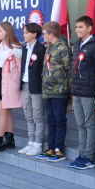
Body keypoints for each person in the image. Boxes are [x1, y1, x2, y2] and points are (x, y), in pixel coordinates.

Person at [69, 16, 95, 169]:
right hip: (77, 91)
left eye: (81, 27)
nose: (77, 30)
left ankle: (89, 157)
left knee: (90, 125)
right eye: (76, 27)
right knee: (80, 124)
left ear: (90, 28)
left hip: (89, 93)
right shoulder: (77, 44)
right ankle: (81, 154)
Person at [36, 21, 72, 162]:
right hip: (48, 90)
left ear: (51, 34)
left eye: (44, 33)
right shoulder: (49, 47)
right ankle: (50, 147)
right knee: (50, 120)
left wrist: (68, 90)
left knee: (59, 120)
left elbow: (69, 70)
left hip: (59, 90)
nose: (42, 36)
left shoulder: (62, 48)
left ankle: (59, 149)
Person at [0, 21, 22, 156]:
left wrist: (18, 88)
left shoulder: (16, 49)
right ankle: (10, 138)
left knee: (1, 110)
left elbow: (19, 71)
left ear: (7, 31)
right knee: (6, 112)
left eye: (0, 30)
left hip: (10, 82)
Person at [19, 23, 46, 156]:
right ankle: (30, 142)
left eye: (26, 33)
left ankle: (38, 143)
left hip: (36, 86)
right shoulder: (24, 49)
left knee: (37, 115)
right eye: (23, 32)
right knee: (28, 114)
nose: (23, 35)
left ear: (34, 34)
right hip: (25, 84)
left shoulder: (41, 49)